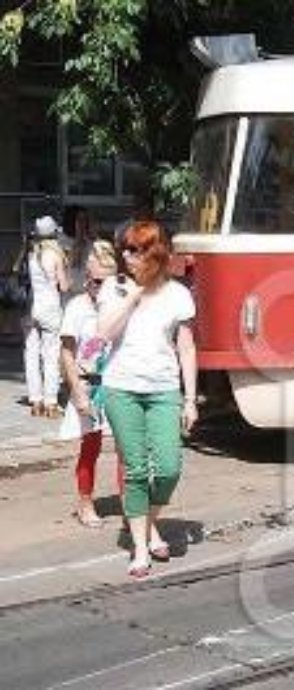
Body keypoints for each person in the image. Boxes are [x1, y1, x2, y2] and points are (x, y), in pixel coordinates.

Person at [97, 220, 198, 578]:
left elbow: (186, 348)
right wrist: (133, 298)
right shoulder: (114, 287)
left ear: (153, 253)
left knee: (169, 468)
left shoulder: (178, 294)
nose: (126, 257)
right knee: (137, 470)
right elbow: (104, 334)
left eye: (134, 250)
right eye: (124, 249)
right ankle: (140, 548)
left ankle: (147, 522)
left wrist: (190, 400)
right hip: (121, 388)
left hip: (163, 389)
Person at [59, 241, 125, 527]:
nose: (103, 287)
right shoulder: (76, 307)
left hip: (119, 384)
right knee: (91, 447)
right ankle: (86, 503)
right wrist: (76, 391)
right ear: (87, 277)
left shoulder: (122, 303)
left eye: (110, 281)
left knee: (127, 447)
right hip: (89, 387)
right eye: (98, 281)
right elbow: (67, 353)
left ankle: (129, 506)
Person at [24, 215, 69, 417]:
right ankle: (51, 402)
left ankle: (35, 400)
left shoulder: (31, 254)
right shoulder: (56, 255)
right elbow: (64, 286)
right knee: (50, 354)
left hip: (31, 307)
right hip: (50, 308)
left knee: (31, 353)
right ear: (54, 234)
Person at [61, 205, 97, 290]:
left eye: (85, 220)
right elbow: (71, 263)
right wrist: (78, 238)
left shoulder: (91, 244)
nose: (83, 223)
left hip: (86, 290)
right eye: (80, 220)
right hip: (67, 291)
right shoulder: (62, 242)